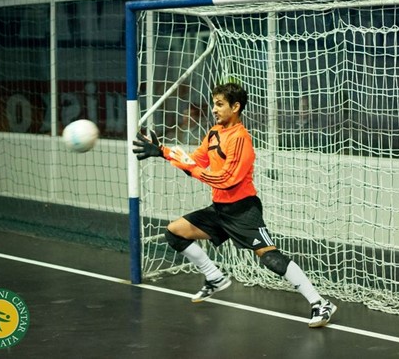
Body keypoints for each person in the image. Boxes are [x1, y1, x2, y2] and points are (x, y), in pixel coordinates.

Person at [132, 82, 337, 328]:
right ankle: (214, 277)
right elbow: (195, 160)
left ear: (236, 107)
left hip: (243, 211)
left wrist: (192, 169)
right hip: (219, 209)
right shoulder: (215, 131)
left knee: (270, 258)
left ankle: (319, 303)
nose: (215, 110)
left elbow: (227, 180)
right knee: (174, 233)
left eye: (220, 105)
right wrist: (162, 151)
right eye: (214, 104)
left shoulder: (241, 139)